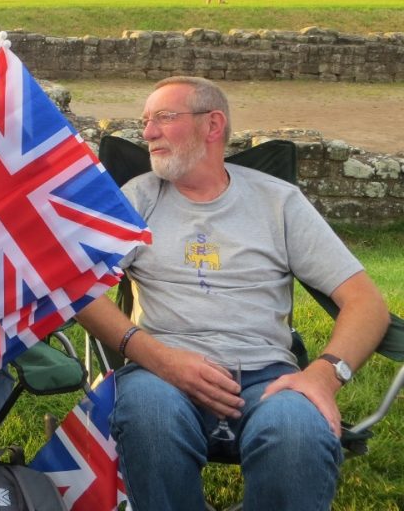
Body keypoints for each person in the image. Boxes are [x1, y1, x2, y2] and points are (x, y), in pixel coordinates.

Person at [76, 75, 390, 511]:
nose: (147, 133)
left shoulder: (278, 202)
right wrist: (159, 358)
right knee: (148, 412)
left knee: (297, 430)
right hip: (161, 375)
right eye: (146, 121)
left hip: (267, 378)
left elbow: (366, 303)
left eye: (164, 118)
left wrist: (323, 374)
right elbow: (80, 288)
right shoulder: (137, 198)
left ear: (213, 124)